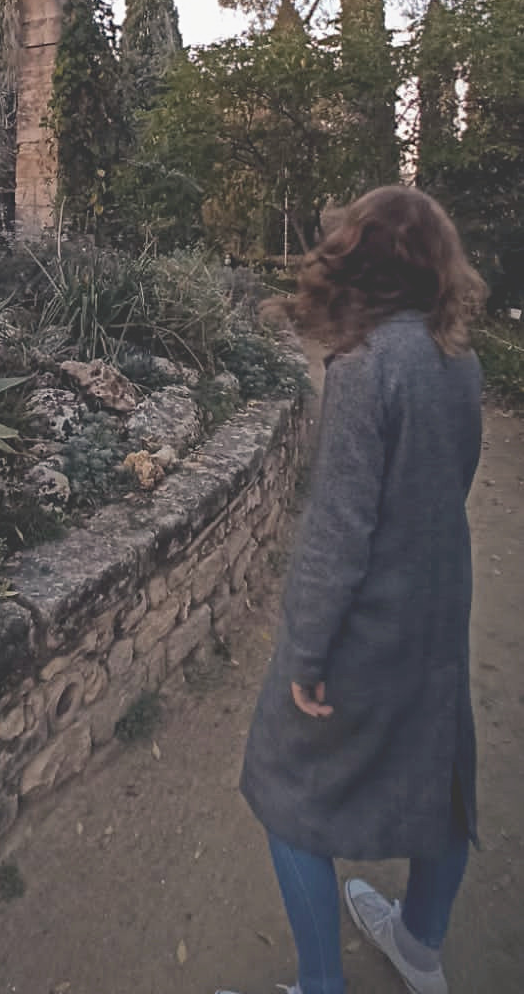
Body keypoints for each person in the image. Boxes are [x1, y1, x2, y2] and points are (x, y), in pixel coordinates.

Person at [217, 186, 488, 994]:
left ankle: (323, 986)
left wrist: (304, 653)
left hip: (367, 621)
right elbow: (454, 481)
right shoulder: (456, 358)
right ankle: (419, 945)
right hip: (438, 606)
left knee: (286, 789)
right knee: (437, 769)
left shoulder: (365, 370)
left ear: (360, 260)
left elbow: (337, 532)